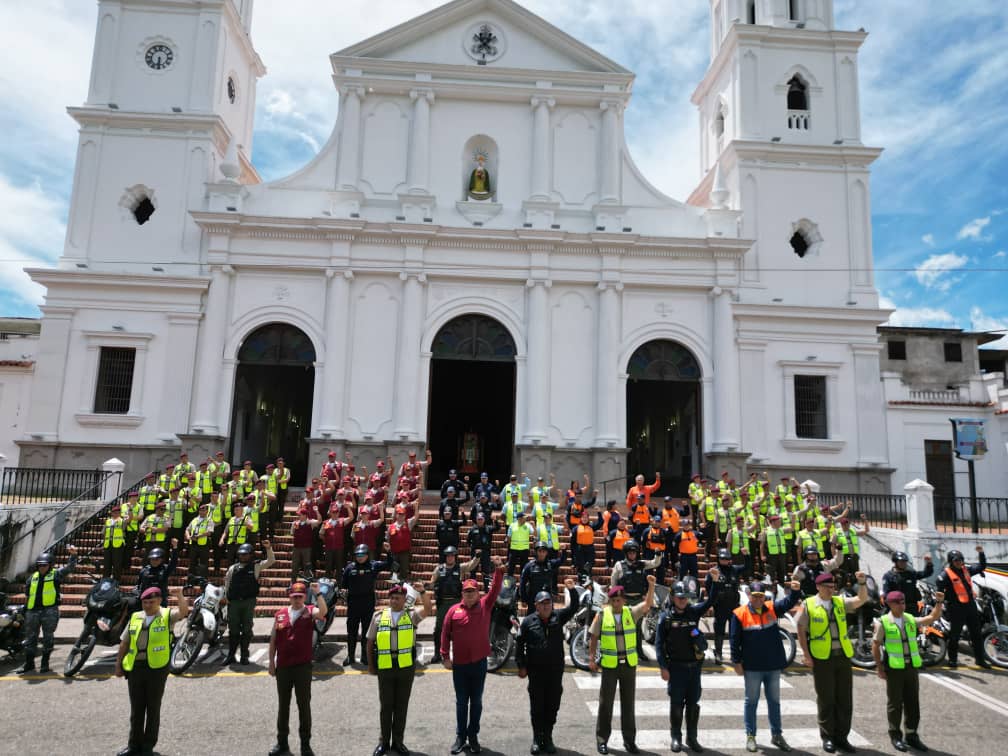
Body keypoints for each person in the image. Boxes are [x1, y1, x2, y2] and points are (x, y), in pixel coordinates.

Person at [796, 570, 869, 754]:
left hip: (842, 656)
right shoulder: (809, 604)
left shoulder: (839, 601)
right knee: (826, 698)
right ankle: (828, 737)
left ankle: (842, 737)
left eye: (833, 586)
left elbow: (861, 600)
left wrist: (861, 583)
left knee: (845, 699)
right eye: (827, 587)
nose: (831, 590)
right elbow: (800, 629)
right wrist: (806, 654)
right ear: (818, 587)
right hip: (822, 658)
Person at [440, 554, 505, 755]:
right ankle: (460, 736)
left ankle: (473, 736)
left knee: (476, 702)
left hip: (479, 664)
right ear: (462, 593)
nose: (469, 595)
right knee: (461, 702)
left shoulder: (485, 605)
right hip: (459, 665)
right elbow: (445, 634)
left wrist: (499, 571)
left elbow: (495, 589)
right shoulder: (453, 611)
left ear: (478, 593)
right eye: (467, 592)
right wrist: (445, 656)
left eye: (473, 591)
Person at [730, 579, 804, 753]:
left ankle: (777, 735)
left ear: (765, 597)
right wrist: (736, 662)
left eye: (760, 596)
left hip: (772, 666)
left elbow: (788, 602)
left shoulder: (772, 608)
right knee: (751, 702)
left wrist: (795, 591)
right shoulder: (739, 614)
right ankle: (750, 736)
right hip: (752, 667)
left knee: (774, 702)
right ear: (749, 595)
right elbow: (734, 640)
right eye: (755, 596)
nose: (757, 599)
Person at [114, 585, 189, 756]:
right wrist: (118, 665)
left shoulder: (166, 615)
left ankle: (148, 747)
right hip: (136, 669)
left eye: (151, 602)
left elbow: (183, 612)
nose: (147, 605)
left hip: (157, 669)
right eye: (145, 602)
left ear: (159, 601)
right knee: (137, 709)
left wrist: (180, 596)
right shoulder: (135, 617)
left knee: (153, 709)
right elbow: (124, 642)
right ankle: (133, 746)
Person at [588, 576, 657, 755]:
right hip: (610, 666)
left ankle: (629, 741)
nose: (616, 603)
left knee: (628, 704)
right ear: (609, 601)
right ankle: (602, 739)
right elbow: (594, 636)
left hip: (628, 666)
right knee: (606, 705)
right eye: (613, 600)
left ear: (624, 600)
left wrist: (651, 586)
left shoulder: (630, 612)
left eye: (619, 600)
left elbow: (647, 605)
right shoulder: (603, 614)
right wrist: (591, 658)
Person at [871, 589, 944, 752]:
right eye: (898, 602)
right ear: (890, 604)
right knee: (895, 704)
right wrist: (879, 667)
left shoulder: (910, 619)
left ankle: (911, 735)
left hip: (911, 668)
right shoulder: (883, 622)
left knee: (913, 704)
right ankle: (895, 736)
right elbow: (875, 645)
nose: (902, 605)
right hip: (895, 669)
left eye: (903, 602)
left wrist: (938, 603)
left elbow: (932, 617)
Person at [656, 573, 721, 753]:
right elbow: (659, 644)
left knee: (693, 704)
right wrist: (662, 667)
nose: (683, 600)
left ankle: (692, 738)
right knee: (676, 704)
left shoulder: (693, 611)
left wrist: (714, 582)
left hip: (694, 667)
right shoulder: (666, 618)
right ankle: (676, 736)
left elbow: (711, 601)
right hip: (676, 668)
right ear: (673, 597)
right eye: (679, 597)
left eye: (685, 597)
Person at [367, 582, 433, 756]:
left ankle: (398, 742)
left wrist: (423, 592)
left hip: (405, 668)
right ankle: (384, 743)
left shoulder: (411, 615)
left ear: (405, 599)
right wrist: (371, 665)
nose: (394, 600)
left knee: (401, 706)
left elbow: (428, 609)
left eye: (398, 598)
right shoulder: (379, 616)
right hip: (385, 667)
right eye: (392, 597)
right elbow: (369, 641)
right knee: (386, 706)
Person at [516, 578, 579, 755]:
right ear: (536, 606)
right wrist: (521, 666)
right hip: (535, 672)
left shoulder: (558, 617)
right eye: (541, 604)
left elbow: (574, 607)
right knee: (537, 707)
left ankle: (548, 736)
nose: (545, 607)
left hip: (554, 672)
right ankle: (537, 737)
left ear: (552, 604)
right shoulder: (528, 622)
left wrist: (572, 590)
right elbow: (520, 645)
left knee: (552, 705)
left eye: (548, 603)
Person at [268, 580, 327, 756]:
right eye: (294, 596)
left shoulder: (310, 611)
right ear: (290, 597)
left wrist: (317, 594)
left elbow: (323, 611)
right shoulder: (280, 614)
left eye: (300, 596)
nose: (297, 600)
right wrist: (271, 662)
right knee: (283, 706)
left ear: (304, 597)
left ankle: (305, 744)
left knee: (304, 706)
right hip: (284, 667)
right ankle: (282, 743)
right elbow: (273, 640)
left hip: (302, 667)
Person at [16, 545, 77, 674]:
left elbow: (70, 568)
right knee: (30, 638)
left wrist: (73, 555)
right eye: (40, 565)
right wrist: (25, 610)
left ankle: (45, 664)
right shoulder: (32, 578)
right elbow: (27, 595)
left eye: (45, 565)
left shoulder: (56, 574)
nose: (42, 567)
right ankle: (29, 664)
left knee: (48, 638)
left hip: (49, 611)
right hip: (32, 612)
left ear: (50, 565)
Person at [222, 539, 276, 665]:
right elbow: (227, 583)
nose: (243, 556)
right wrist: (226, 598)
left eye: (245, 554)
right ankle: (231, 655)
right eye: (241, 554)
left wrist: (268, 548)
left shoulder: (256, 566)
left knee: (247, 629)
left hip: (248, 602)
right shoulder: (233, 568)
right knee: (233, 630)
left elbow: (271, 561)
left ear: (251, 554)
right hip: (234, 603)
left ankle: (244, 656)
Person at [935, 545, 990, 669]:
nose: (959, 562)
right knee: (955, 635)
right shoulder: (945, 575)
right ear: (951, 561)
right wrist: (940, 602)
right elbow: (939, 590)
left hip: (970, 606)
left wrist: (981, 553)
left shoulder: (966, 569)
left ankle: (980, 660)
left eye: (960, 560)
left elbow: (982, 566)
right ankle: (953, 660)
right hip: (956, 608)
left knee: (976, 634)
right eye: (956, 560)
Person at [342, 544, 393, 666]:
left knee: (367, 631)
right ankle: (351, 656)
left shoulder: (373, 566)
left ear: (367, 555)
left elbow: (389, 564)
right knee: (351, 631)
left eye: (362, 555)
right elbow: (344, 585)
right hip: (353, 603)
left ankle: (365, 656)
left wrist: (389, 552)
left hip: (368, 603)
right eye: (357, 555)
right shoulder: (350, 568)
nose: (360, 557)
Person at [430, 546, 480, 664]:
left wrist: (477, 557)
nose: (450, 557)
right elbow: (432, 583)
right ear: (445, 557)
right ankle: (437, 653)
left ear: (455, 556)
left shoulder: (460, 568)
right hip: (443, 603)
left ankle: (464, 652)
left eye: (452, 555)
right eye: (448, 555)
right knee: (439, 629)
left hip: (456, 602)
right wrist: (425, 586)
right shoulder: (439, 569)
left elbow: (471, 565)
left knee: (461, 628)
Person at [707, 548, 746, 664]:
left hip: (734, 606)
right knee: (719, 632)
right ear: (718, 559)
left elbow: (747, 567)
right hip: (720, 606)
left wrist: (746, 556)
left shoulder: (734, 569)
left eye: (727, 558)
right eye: (722, 558)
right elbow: (709, 588)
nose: (725, 561)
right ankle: (718, 653)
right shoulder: (714, 571)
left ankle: (736, 655)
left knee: (734, 632)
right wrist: (710, 603)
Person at [610, 540, 662, 604]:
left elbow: (655, 563)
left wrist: (658, 555)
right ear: (626, 553)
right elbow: (613, 581)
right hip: (624, 600)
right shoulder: (619, 565)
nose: (632, 555)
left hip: (640, 599)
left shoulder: (641, 563)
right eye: (630, 553)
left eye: (634, 553)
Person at [520, 541, 567, 606]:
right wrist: (523, 599)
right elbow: (522, 583)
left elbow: (562, 560)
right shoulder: (529, 566)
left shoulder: (550, 564)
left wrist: (564, 550)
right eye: (539, 551)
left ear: (546, 553)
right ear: (536, 552)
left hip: (547, 599)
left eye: (544, 551)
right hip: (533, 599)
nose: (542, 554)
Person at [135, 540, 179, 607]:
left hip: (160, 603)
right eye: (152, 559)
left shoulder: (165, 570)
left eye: (156, 559)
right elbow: (138, 586)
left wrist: (175, 548)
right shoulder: (144, 571)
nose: (154, 561)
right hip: (146, 603)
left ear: (161, 560)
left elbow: (173, 563)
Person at [290, 506, 321, 581]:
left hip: (306, 548)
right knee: (295, 565)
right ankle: (293, 582)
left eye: (300, 514)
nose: (298, 516)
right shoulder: (295, 523)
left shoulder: (311, 522)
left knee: (307, 565)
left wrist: (317, 511)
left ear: (305, 515)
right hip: (296, 548)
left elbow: (319, 521)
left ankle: (307, 582)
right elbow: (292, 533)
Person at [102, 503, 128, 581]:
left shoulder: (122, 521)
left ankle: (116, 581)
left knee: (117, 564)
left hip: (118, 545)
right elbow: (104, 532)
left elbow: (127, 523)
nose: (115, 514)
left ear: (120, 513)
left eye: (117, 512)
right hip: (108, 545)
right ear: (112, 513)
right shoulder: (108, 521)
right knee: (107, 564)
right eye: (114, 512)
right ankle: (105, 581)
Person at [506, 511, 535, 577]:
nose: (525, 519)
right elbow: (508, 537)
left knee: (524, 569)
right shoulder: (512, 525)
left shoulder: (528, 525)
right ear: (519, 518)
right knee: (511, 568)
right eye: (524, 518)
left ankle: (523, 585)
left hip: (524, 550)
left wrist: (534, 526)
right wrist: (513, 545)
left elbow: (534, 534)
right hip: (514, 550)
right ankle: (509, 585)